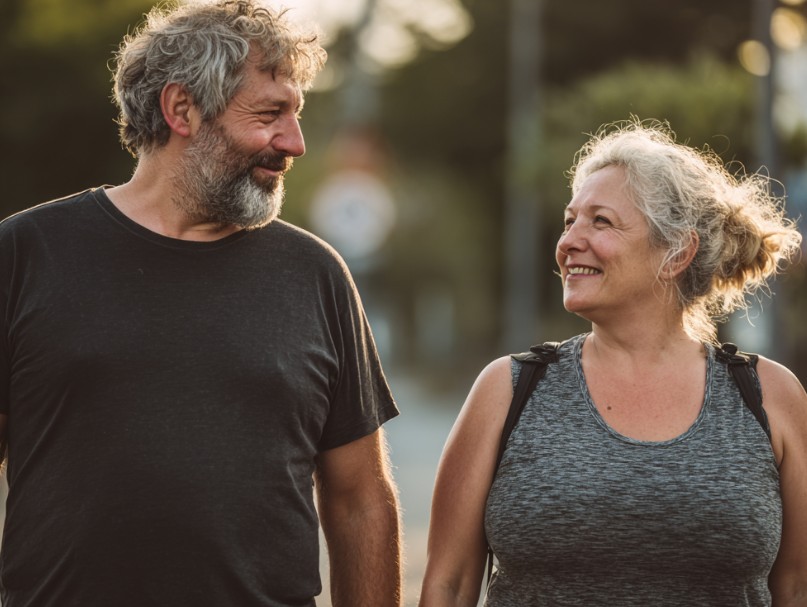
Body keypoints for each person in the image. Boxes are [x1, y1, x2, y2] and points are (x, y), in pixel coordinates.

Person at [0, 1, 402, 605]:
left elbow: (361, 499)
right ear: (181, 109)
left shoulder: (315, 274)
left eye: (296, 115)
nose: (294, 142)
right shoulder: (24, 253)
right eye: (270, 115)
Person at [419, 119, 807, 606]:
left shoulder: (770, 397)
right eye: (569, 220)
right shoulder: (509, 388)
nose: (569, 242)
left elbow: (796, 587)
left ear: (676, 252)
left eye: (600, 221)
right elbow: (448, 585)